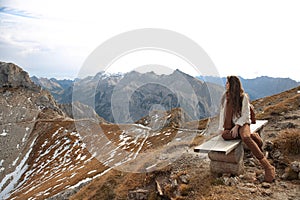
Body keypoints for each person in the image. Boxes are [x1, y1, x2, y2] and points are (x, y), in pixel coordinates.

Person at [218, 75, 275, 183]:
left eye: (227, 83)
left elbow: (246, 115)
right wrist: (222, 128)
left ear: (232, 85)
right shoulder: (225, 97)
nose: (226, 85)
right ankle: (254, 136)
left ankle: (268, 166)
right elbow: (223, 113)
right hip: (232, 125)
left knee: (245, 136)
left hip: (243, 123)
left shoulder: (243, 97)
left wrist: (237, 126)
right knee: (225, 135)